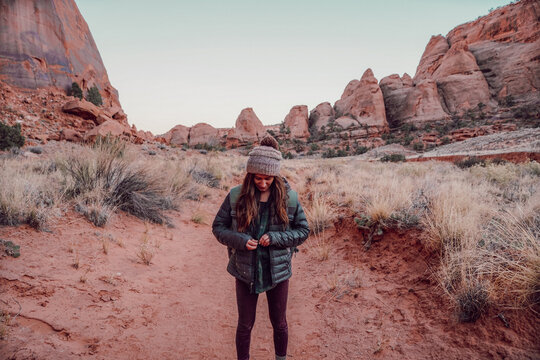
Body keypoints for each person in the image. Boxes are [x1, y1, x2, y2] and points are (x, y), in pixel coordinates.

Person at [212, 135, 310, 360]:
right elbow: (218, 227)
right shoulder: (236, 196)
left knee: (280, 323)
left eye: (268, 178)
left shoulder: (290, 199)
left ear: (275, 175)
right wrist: (239, 240)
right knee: (245, 324)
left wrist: (275, 238)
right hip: (245, 270)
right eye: (257, 178)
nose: (263, 183)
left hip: (278, 271)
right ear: (250, 175)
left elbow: (303, 232)